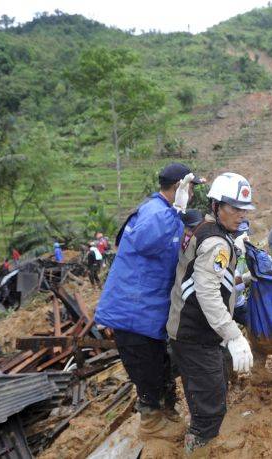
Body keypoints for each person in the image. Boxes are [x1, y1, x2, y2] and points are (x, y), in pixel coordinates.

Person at [94, 162, 202, 443]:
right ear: (180, 187)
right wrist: (176, 211)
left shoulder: (166, 214)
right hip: (133, 310)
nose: (191, 193)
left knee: (159, 364)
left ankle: (165, 412)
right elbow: (145, 241)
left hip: (148, 311)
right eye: (190, 187)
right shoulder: (156, 212)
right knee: (147, 371)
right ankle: (151, 424)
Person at [167, 172, 255, 457]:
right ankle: (196, 450)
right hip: (195, 335)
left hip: (193, 331)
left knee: (211, 395)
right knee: (210, 413)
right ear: (216, 206)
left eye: (243, 209)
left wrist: (241, 278)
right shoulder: (217, 244)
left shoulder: (208, 229)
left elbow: (211, 281)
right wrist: (233, 336)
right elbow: (206, 293)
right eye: (234, 208)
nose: (240, 215)